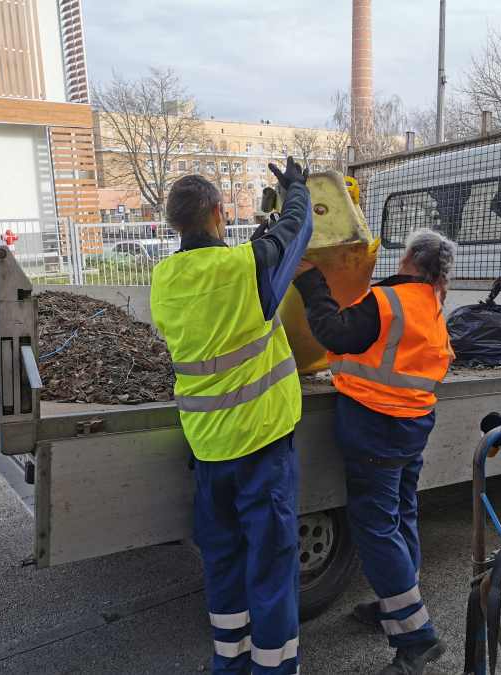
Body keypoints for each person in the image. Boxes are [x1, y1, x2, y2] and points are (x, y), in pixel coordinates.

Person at [150, 158, 313, 675]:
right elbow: (296, 232)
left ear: (176, 223)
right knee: (270, 565)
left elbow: (229, 274)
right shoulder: (246, 268)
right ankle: (273, 667)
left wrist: (256, 241)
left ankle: (230, 664)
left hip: (207, 449)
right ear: (221, 213)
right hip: (261, 444)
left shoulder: (164, 279)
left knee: (222, 563)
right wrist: (297, 191)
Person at [292, 229, 456, 675]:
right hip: (410, 428)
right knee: (400, 518)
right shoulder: (430, 302)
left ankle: (417, 639)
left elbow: (333, 332)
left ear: (406, 257)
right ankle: (397, 608)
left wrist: (310, 282)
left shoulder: (387, 302)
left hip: (376, 429)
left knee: (376, 529)